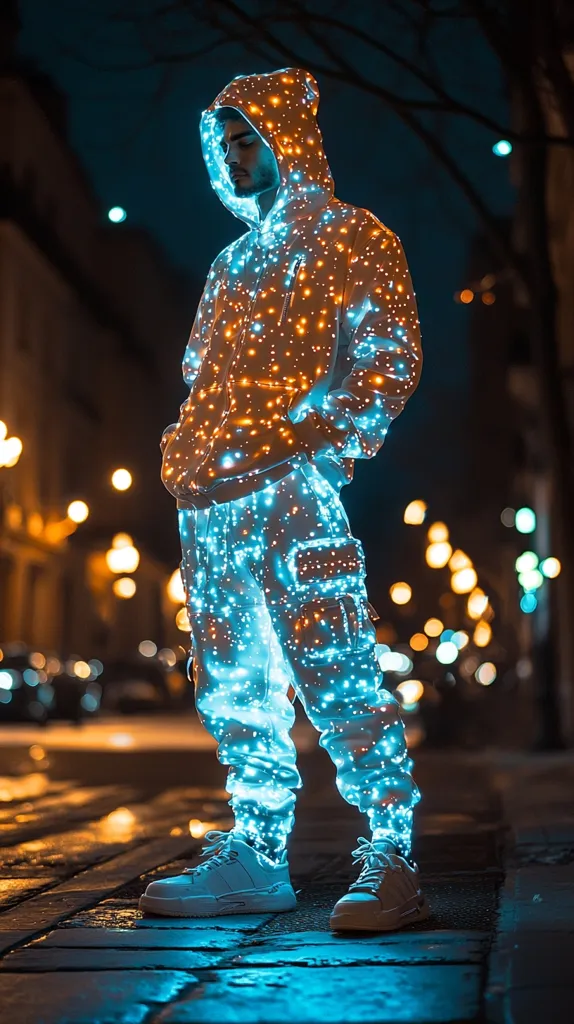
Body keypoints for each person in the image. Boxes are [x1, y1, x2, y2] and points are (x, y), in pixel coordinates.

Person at [139, 67, 425, 933]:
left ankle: (394, 848)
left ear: (286, 140)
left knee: (337, 670)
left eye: (247, 136)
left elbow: (390, 355)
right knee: (232, 684)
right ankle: (256, 854)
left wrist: (319, 436)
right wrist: (185, 451)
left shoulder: (352, 236)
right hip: (211, 501)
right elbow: (200, 375)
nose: (234, 153)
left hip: (291, 493)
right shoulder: (229, 265)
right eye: (223, 142)